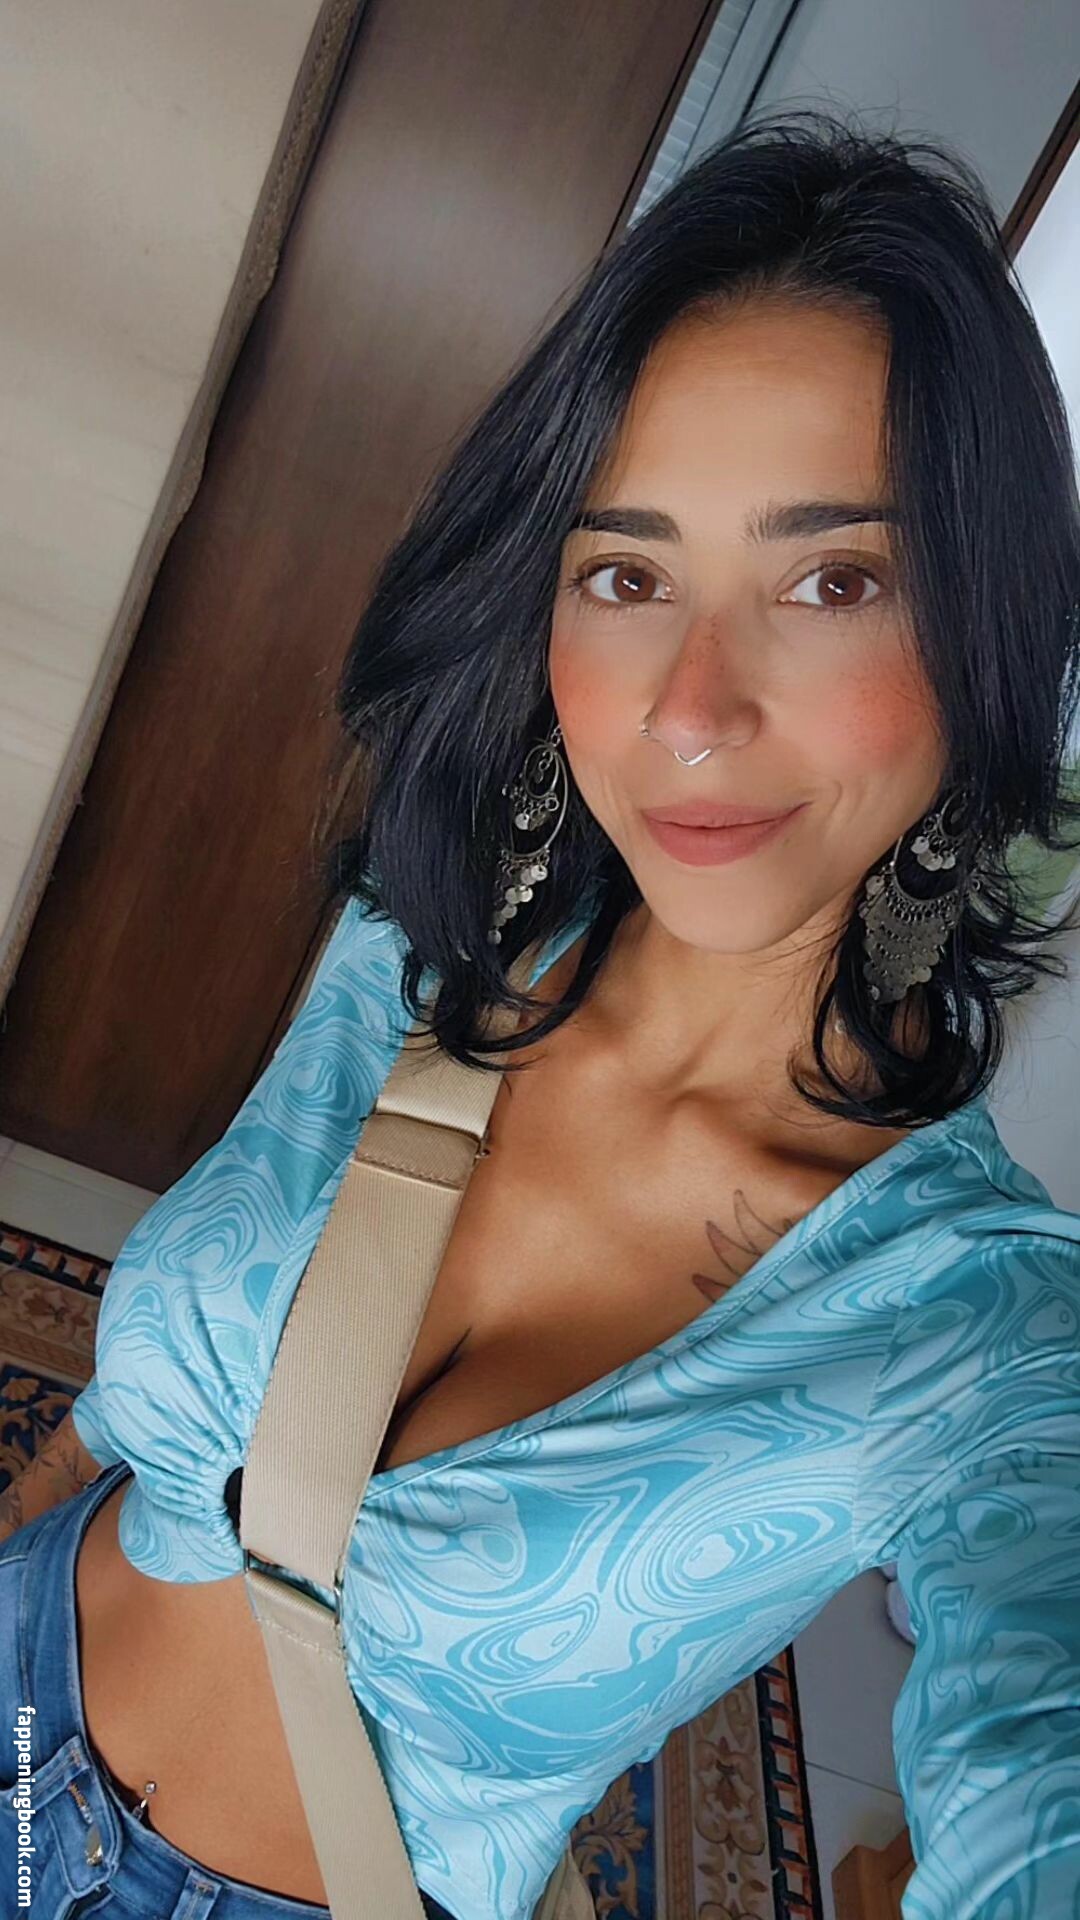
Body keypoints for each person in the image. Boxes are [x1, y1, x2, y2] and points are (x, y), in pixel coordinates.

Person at [2, 107, 1080, 1920]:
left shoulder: (984, 1332)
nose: (691, 709)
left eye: (831, 581)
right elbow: (136, 1420)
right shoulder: (423, 943)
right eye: (626, 575)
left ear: (988, 634)